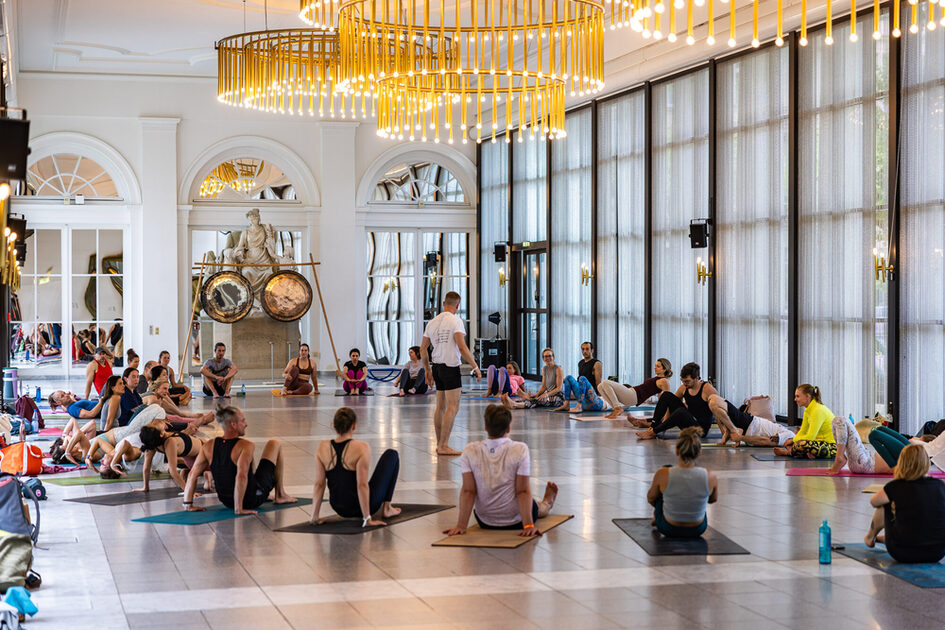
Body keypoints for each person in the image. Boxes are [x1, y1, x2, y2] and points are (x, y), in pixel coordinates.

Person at [443, 404, 558, 537]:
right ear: (508, 428)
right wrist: (528, 525)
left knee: (527, 500)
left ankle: (542, 503)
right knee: (535, 506)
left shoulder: (470, 450)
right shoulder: (520, 449)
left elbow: (469, 491)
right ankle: (547, 503)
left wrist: (461, 526)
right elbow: (522, 491)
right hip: (517, 520)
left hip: (485, 521)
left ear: (486, 427)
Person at [183, 406, 296, 515]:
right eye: (243, 421)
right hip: (250, 500)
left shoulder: (208, 446)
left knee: (249, 465)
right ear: (233, 425)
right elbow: (241, 477)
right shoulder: (245, 445)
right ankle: (280, 494)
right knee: (274, 444)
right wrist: (239, 509)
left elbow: (192, 474)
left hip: (226, 501)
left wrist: (188, 503)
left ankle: (269, 494)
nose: (246, 424)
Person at [310, 407, 401, 526]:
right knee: (392, 454)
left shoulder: (322, 447)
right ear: (354, 426)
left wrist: (314, 517)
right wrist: (367, 519)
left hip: (338, 507)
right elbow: (361, 485)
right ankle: (387, 508)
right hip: (362, 506)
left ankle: (314, 516)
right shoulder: (361, 447)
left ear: (333, 425)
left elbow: (319, 484)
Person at [420, 291, 482, 455]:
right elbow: (462, 347)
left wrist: (427, 370)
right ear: (457, 306)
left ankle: (440, 443)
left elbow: (423, 349)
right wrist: (475, 366)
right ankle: (443, 445)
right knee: (453, 407)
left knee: (440, 407)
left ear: (443, 304)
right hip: (450, 367)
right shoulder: (456, 321)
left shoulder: (432, 322)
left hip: (437, 367)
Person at [864, 444, 945, 563]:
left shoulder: (895, 486)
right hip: (937, 552)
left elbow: (874, 501)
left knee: (885, 503)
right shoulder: (940, 486)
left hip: (902, 552)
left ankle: (870, 537)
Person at [646, 427, 719, 538]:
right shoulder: (710, 475)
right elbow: (712, 499)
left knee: (663, 481)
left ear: (676, 450)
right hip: (697, 529)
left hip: (669, 528)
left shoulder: (663, 473)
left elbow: (651, 498)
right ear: (699, 452)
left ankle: (657, 517)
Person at [636, 363, 720, 440]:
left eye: (687, 381)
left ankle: (653, 432)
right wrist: (664, 423)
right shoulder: (684, 387)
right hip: (687, 423)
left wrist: (725, 432)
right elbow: (669, 403)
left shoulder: (707, 389)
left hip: (700, 431)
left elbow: (719, 411)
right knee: (666, 395)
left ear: (696, 378)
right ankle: (652, 428)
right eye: (682, 381)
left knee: (681, 412)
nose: (684, 383)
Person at [138, 425, 209, 492]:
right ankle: (203, 472)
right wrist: (188, 492)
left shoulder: (157, 442)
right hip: (197, 457)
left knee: (207, 479)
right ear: (161, 434)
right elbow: (172, 471)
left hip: (200, 455)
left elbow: (147, 467)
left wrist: (145, 487)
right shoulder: (165, 442)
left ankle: (199, 472)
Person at [773, 385, 836, 459]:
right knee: (790, 442)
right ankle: (807, 453)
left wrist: (793, 440)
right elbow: (803, 431)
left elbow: (810, 437)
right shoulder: (808, 410)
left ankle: (788, 452)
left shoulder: (818, 410)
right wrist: (792, 441)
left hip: (831, 447)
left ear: (807, 396)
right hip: (817, 443)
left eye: (798, 396)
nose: (795, 399)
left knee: (801, 444)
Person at [598, 359, 673, 420]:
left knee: (605, 382)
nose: (655, 367)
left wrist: (666, 416)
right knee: (600, 386)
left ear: (664, 369)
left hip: (634, 396)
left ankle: (617, 408)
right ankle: (616, 408)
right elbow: (660, 396)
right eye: (655, 365)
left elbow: (667, 399)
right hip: (632, 392)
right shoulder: (657, 379)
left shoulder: (664, 381)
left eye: (658, 366)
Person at [500, 348, 564, 410]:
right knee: (535, 399)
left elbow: (559, 388)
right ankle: (511, 402)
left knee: (537, 401)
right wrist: (537, 394)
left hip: (558, 397)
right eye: (545, 356)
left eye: (549, 356)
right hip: (548, 394)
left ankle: (515, 404)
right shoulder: (544, 369)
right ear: (543, 358)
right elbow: (544, 386)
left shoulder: (558, 369)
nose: (547, 358)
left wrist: (546, 394)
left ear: (553, 357)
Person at [827, 418, 893, 475]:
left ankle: (839, 457)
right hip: (865, 459)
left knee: (840, 420)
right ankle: (840, 456)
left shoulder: (901, 463)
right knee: (836, 421)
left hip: (864, 462)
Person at [553, 341, 603, 412]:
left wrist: (600, 397)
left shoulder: (597, 363)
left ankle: (579, 405)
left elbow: (598, 382)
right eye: (583, 349)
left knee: (582, 378)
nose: (584, 351)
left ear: (592, 350)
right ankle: (566, 404)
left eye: (587, 349)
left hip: (591, 393)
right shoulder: (581, 363)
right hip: (581, 394)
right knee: (568, 378)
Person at [143, 381, 214, 426]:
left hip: (146, 418)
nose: (167, 391)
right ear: (156, 389)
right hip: (142, 420)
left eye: (167, 389)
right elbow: (149, 417)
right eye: (164, 389)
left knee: (173, 417)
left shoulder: (157, 397)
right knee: (174, 419)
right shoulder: (153, 399)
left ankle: (195, 419)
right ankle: (200, 421)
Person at [728, 415, 797, 449]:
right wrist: (740, 438)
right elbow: (766, 440)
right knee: (721, 407)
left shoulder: (789, 434)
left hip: (752, 425)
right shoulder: (790, 434)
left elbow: (766, 440)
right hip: (752, 424)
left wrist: (740, 438)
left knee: (722, 407)